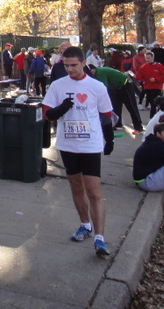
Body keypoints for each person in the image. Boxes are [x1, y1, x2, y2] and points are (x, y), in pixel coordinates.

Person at [42, 46, 115, 258]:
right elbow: (48, 114)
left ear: (83, 63)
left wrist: (109, 139)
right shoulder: (57, 85)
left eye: (74, 65)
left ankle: (100, 238)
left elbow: (106, 114)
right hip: (67, 144)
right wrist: (61, 108)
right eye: (66, 65)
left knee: (94, 191)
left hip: (90, 144)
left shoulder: (96, 86)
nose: (70, 69)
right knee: (76, 186)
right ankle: (85, 225)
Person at [88, 64, 143, 133]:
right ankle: (118, 124)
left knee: (131, 106)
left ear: (93, 69)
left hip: (125, 84)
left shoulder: (100, 72)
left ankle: (138, 127)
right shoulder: (99, 72)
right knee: (116, 105)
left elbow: (104, 87)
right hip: (117, 87)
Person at [134, 51, 164, 117]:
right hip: (147, 87)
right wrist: (134, 76)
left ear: (153, 57)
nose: (147, 60)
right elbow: (139, 76)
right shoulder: (144, 66)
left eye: (149, 58)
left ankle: (154, 117)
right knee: (151, 103)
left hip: (157, 87)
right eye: (146, 58)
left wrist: (156, 79)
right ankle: (153, 117)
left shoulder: (159, 66)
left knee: (155, 104)